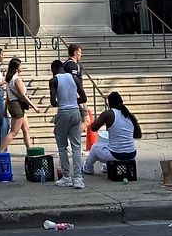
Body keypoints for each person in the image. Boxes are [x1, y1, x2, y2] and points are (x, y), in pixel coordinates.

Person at [82, 92, 141, 176]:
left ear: (109, 103)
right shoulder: (130, 115)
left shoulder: (108, 114)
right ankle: (106, 167)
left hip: (116, 155)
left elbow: (93, 128)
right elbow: (138, 135)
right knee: (108, 144)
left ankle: (87, 169)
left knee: (95, 147)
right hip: (131, 154)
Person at [49, 58, 87, 188]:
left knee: (62, 146)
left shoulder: (54, 80)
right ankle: (78, 178)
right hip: (75, 112)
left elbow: (53, 102)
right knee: (76, 146)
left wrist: (63, 102)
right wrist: (73, 102)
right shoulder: (74, 78)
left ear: (54, 69)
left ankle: (66, 177)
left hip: (63, 112)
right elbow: (84, 98)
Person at [1, 57, 35, 151]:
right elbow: (23, 95)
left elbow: (8, 96)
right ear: (16, 68)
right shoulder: (16, 80)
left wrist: (5, 109)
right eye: (20, 65)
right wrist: (34, 106)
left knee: (26, 128)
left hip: (14, 105)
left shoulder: (9, 79)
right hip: (17, 106)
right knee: (14, 132)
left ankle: (30, 150)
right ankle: (0, 151)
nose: (22, 67)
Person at [63, 43, 86, 139]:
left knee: (78, 121)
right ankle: (71, 138)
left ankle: (71, 139)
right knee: (86, 120)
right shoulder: (72, 65)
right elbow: (72, 83)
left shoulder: (67, 64)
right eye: (80, 52)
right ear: (75, 53)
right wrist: (79, 99)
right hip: (75, 97)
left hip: (71, 97)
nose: (81, 54)